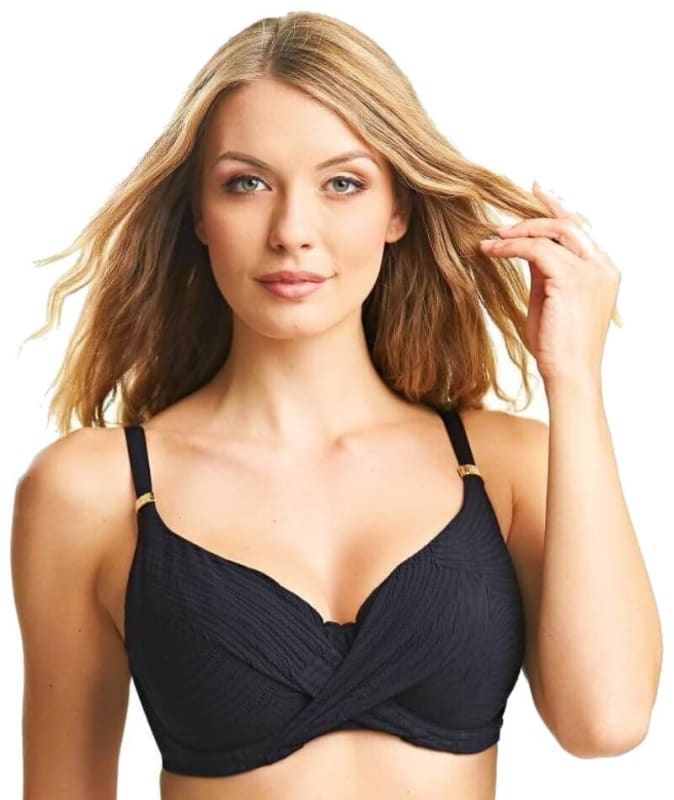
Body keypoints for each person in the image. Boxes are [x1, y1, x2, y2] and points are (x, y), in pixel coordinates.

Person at [12, 10, 657, 800]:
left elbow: (606, 722)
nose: (292, 231)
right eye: (247, 183)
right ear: (199, 214)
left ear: (398, 210)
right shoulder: (92, 490)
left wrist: (576, 379)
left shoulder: (507, 468)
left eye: (342, 183)